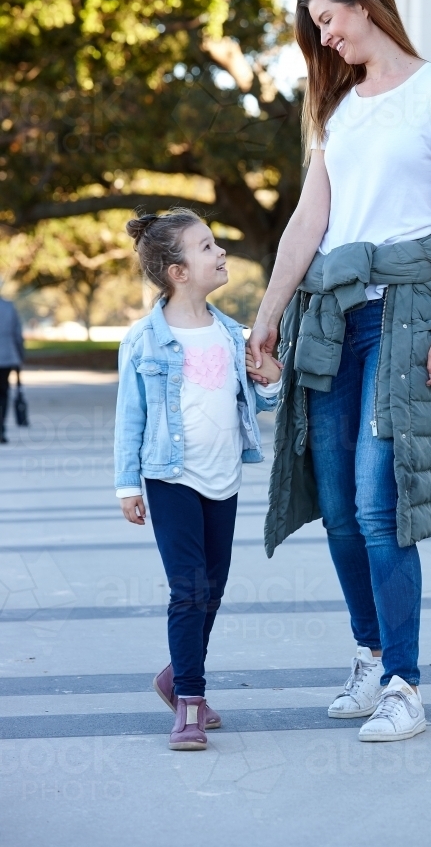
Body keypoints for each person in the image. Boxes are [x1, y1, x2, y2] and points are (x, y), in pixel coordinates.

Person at [248, 0, 431, 743]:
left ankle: (404, 684)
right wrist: (268, 313)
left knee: (380, 508)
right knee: (340, 511)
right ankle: (370, 656)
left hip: (405, 315)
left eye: (328, 18)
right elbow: (307, 225)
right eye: (316, 26)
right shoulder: (339, 109)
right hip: (334, 321)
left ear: (363, 4)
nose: (324, 35)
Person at [114, 209, 281, 751]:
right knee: (188, 589)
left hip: (224, 479)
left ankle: (175, 675)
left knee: (213, 588)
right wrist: (127, 485)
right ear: (177, 271)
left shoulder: (234, 336)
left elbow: (257, 400)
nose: (220, 252)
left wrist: (272, 381)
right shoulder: (144, 341)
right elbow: (130, 418)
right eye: (207, 247)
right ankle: (189, 700)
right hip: (171, 478)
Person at [0, 295, 24, 444]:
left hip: (7, 357)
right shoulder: (8, 307)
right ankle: (1, 428)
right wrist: (20, 356)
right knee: (3, 393)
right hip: (7, 357)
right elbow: (18, 335)